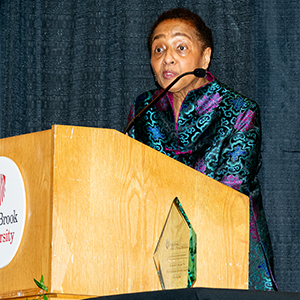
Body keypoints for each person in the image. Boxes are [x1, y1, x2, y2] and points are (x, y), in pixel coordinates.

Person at [126, 7, 277, 291]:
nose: (167, 58)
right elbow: (132, 182)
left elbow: (232, 189)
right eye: (158, 49)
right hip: (159, 251)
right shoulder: (143, 110)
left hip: (229, 246)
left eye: (180, 47)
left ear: (204, 57)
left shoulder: (238, 110)